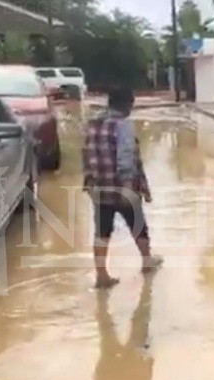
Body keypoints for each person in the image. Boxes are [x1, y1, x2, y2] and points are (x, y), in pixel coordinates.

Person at [82, 88, 163, 288]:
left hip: (100, 187)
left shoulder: (92, 125)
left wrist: (89, 182)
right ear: (127, 105)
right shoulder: (122, 125)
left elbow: (85, 154)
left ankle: (101, 275)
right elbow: (126, 156)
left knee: (101, 231)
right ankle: (147, 261)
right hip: (121, 186)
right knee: (138, 225)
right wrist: (130, 186)